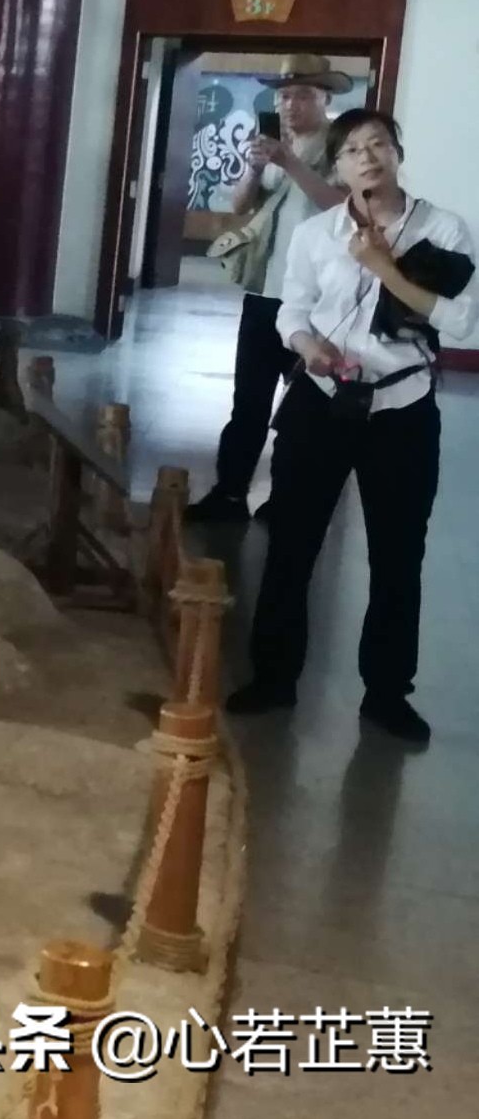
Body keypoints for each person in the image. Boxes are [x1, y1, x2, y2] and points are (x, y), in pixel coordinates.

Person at [228, 111, 474, 745]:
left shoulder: (443, 230)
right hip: (321, 401)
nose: (368, 157)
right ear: (335, 168)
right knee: (292, 545)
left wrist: (383, 265)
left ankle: (388, 694)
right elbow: (293, 312)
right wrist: (307, 346)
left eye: (379, 145)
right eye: (354, 151)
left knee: (398, 556)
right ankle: (274, 677)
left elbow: (460, 321)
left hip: (403, 410)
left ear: (398, 153)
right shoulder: (314, 234)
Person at [191, 55, 351, 523]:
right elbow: (241, 206)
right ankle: (230, 492)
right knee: (249, 401)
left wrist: (291, 163)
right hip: (265, 295)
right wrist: (258, 166)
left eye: (302, 94)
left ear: (325, 98)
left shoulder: (341, 148)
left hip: (319, 301)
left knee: (305, 410)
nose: (290, 104)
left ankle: (288, 501)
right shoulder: (276, 145)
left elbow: (341, 207)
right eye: (283, 95)